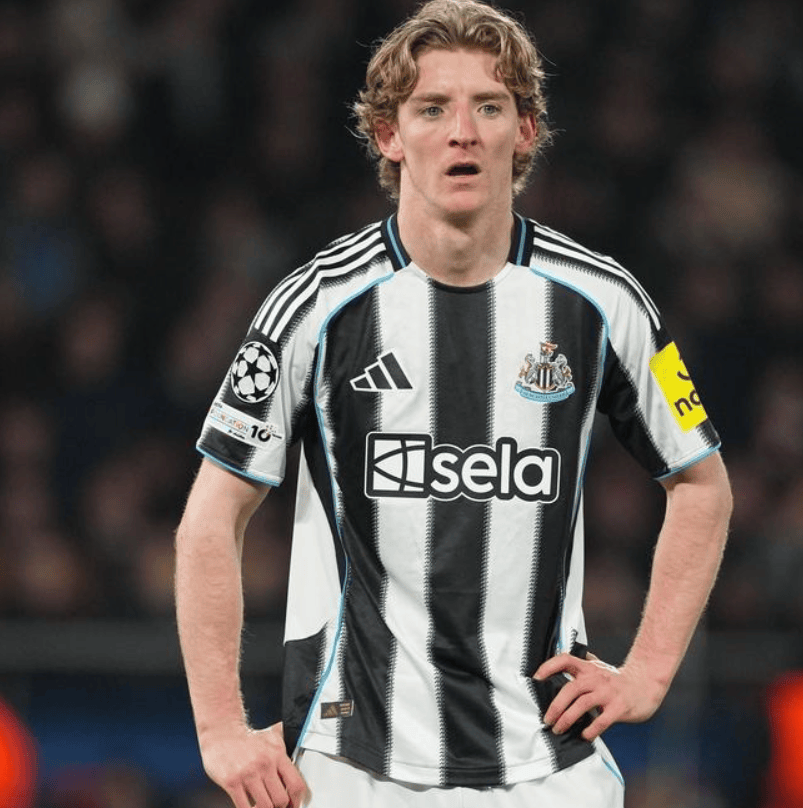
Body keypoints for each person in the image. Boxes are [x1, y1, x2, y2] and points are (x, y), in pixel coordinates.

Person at [173, 1, 733, 806]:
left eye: (489, 107)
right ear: (390, 136)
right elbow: (211, 515)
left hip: (549, 769)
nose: (462, 132)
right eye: (433, 108)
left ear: (526, 131)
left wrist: (647, 671)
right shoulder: (316, 307)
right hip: (353, 767)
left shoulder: (602, 301)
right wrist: (220, 728)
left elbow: (703, 484)